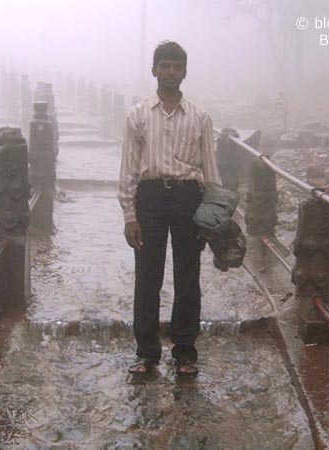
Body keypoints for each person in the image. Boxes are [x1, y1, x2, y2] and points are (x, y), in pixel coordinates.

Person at [118, 41, 221, 376]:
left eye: (177, 67)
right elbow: (129, 169)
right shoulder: (137, 115)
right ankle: (147, 352)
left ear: (185, 72)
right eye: (165, 66)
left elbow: (210, 171)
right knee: (148, 276)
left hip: (188, 198)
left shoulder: (201, 118)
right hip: (149, 200)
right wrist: (130, 215)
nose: (171, 73)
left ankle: (185, 351)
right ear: (154, 70)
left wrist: (214, 216)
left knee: (187, 275)